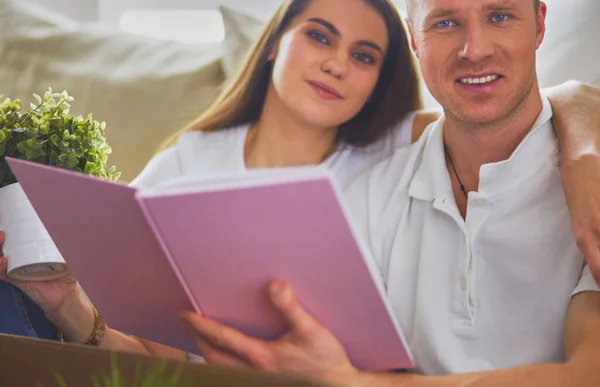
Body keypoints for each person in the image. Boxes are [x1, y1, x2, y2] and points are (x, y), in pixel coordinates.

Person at [1, 0, 600, 364]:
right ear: (272, 46)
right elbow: (144, 347)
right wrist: (70, 304)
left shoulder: (392, 149)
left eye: (365, 56)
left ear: (382, 79)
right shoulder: (189, 160)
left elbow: (523, 101)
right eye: (319, 36)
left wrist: (584, 148)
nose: (339, 63)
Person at [168, 0, 600, 386]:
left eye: (500, 16)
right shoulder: (367, 195)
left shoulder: (590, 185)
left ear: (539, 24)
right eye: (445, 23)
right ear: (414, 39)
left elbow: (589, 376)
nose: (475, 49)